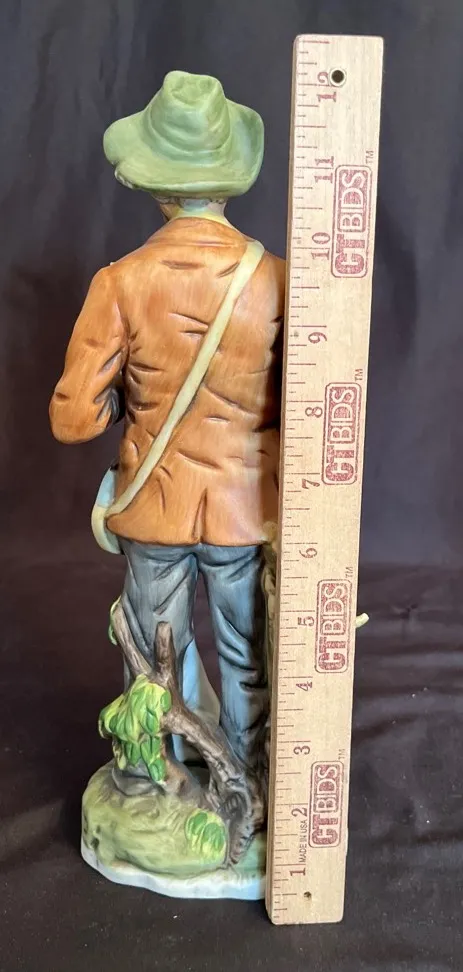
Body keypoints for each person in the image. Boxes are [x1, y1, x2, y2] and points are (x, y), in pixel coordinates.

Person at [49, 70, 285, 778]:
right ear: (229, 179)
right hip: (244, 506)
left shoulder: (120, 282)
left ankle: (154, 777)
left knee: (153, 656)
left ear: (156, 186)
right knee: (248, 654)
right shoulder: (277, 280)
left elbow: (72, 419)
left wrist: (126, 402)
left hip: (155, 506)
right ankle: (245, 775)